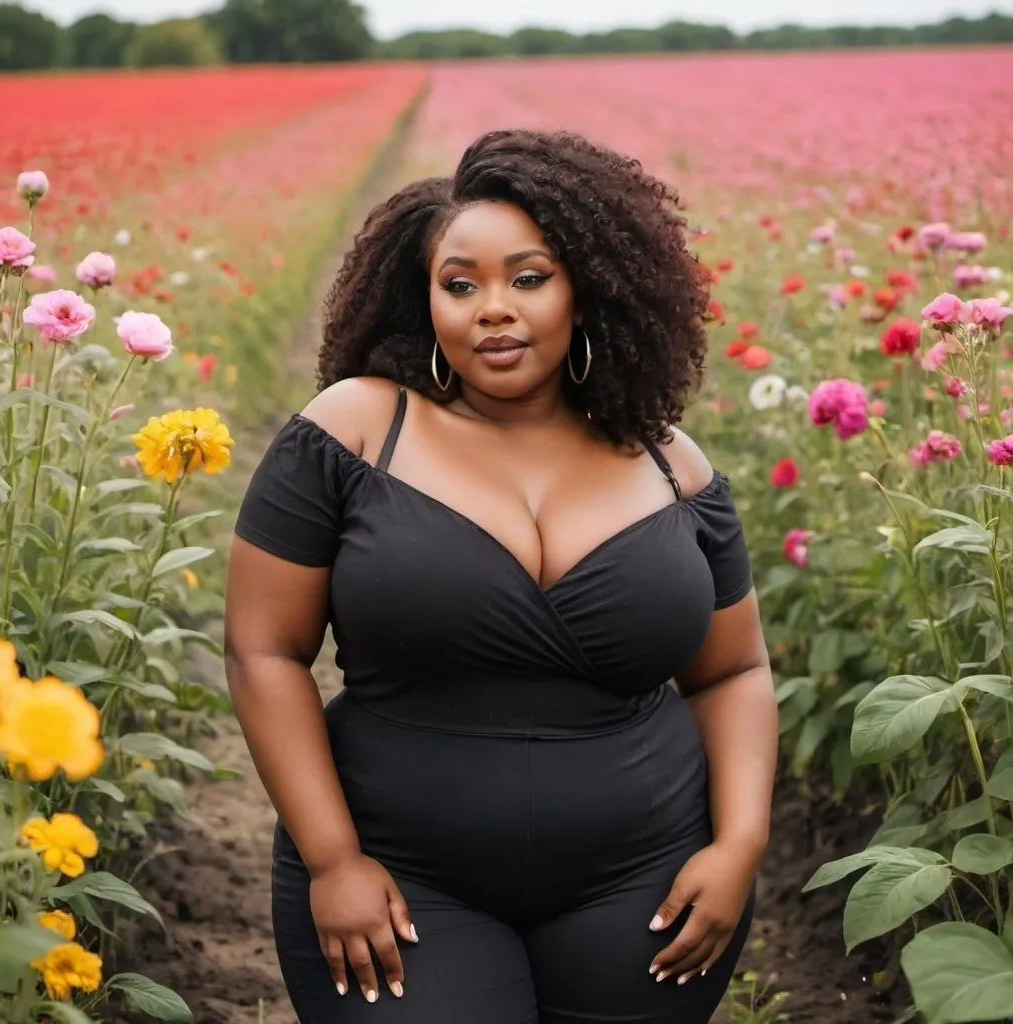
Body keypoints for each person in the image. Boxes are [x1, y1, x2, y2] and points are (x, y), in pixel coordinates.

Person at [224, 127, 778, 1024]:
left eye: (528, 277)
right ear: (426, 300)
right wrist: (334, 861)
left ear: (589, 288)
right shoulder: (355, 432)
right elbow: (263, 652)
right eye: (459, 284)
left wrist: (741, 845)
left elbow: (733, 671)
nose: (493, 307)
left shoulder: (673, 466)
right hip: (399, 889)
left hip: (650, 888)